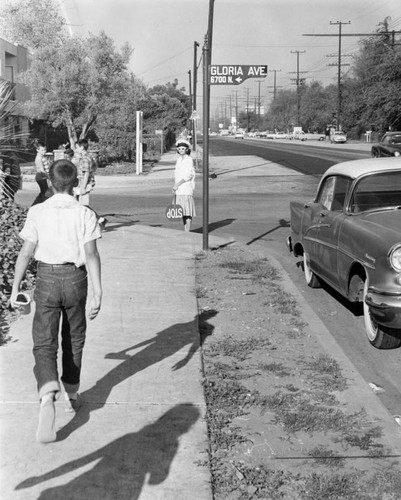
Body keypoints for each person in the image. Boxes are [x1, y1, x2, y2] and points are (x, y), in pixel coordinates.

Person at [10, 159, 102, 444]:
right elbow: (91, 255)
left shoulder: (38, 212)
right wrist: (98, 291)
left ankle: (47, 392)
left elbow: (26, 253)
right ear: (75, 183)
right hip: (75, 279)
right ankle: (71, 393)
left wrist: (15, 288)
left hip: (47, 278)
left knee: (43, 340)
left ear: (49, 182)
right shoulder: (85, 213)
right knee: (74, 337)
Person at [172, 139, 196, 232]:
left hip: (186, 188)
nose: (181, 150)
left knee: (187, 211)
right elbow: (177, 175)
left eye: (183, 148)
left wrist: (177, 184)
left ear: (186, 149)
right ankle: (185, 229)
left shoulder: (188, 159)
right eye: (179, 148)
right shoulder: (178, 160)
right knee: (182, 211)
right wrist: (175, 186)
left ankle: (188, 230)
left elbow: (188, 175)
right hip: (179, 189)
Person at [72, 139, 95, 207]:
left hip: (84, 183)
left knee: (84, 205)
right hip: (82, 183)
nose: (75, 150)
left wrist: (83, 187)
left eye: (77, 147)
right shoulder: (87, 157)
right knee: (79, 204)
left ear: (82, 147)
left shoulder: (85, 158)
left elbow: (86, 173)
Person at [32, 141, 51, 206]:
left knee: (43, 192)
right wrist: (49, 177)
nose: (44, 151)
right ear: (37, 150)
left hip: (43, 177)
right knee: (44, 193)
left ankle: (35, 205)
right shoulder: (39, 158)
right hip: (41, 177)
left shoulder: (42, 156)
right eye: (42, 150)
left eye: (45, 149)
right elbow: (41, 170)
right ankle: (43, 205)